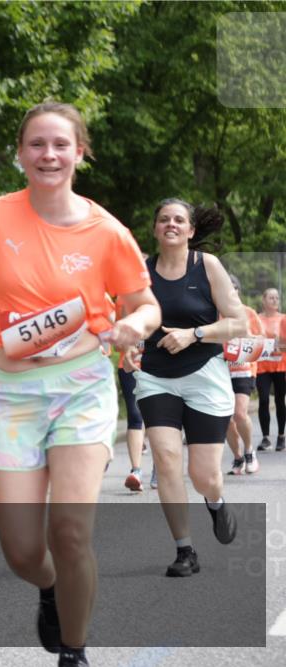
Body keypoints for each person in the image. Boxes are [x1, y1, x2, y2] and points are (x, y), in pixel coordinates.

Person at [0, 101, 160, 667]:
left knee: (71, 531)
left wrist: (133, 324)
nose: (48, 154)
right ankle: (50, 587)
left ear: (80, 152)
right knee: (24, 551)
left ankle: (74, 653)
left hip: (80, 386)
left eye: (61, 144)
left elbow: (145, 304)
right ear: (20, 153)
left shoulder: (108, 232)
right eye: (37, 144)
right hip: (8, 394)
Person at [133, 199, 247, 579]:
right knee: (166, 459)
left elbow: (238, 323)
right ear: (154, 228)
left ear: (191, 230)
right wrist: (129, 341)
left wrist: (194, 334)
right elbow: (127, 318)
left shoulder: (206, 266)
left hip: (204, 374)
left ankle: (214, 502)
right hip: (155, 377)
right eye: (163, 218)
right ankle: (185, 550)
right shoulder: (140, 272)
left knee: (204, 476)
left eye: (179, 220)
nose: (171, 224)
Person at [223, 274, 264, 474]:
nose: (229, 292)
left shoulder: (249, 313)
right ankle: (238, 457)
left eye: (233, 288)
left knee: (239, 413)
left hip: (243, 368)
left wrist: (245, 340)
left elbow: (260, 340)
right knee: (226, 419)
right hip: (221, 371)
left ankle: (249, 451)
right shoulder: (216, 314)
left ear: (238, 290)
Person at [116, 295, 147, 491]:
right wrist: (129, 345)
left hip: (158, 366)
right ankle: (136, 471)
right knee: (135, 416)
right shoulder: (121, 299)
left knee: (159, 417)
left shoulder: (160, 290)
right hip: (129, 365)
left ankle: (161, 469)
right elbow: (117, 342)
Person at [255, 287, 285, 451]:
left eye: (277, 298)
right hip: (262, 366)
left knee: (280, 400)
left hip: (281, 365)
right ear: (264, 300)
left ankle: (281, 436)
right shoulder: (257, 319)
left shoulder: (284, 319)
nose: (275, 300)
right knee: (264, 399)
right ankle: (265, 437)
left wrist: (280, 346)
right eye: (271, 297)